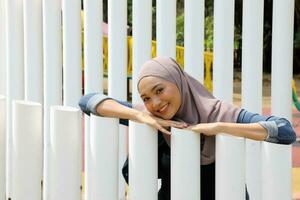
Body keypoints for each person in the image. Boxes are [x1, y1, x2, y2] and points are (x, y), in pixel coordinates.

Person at [79, 56, 296, 200]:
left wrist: (220, 128)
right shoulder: (153, 116)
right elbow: (88, 102)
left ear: (179, 82)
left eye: (159, 90)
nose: (155, 103)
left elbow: (284, 131)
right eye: (146, 98)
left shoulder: (218, 113)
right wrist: (139, 115)